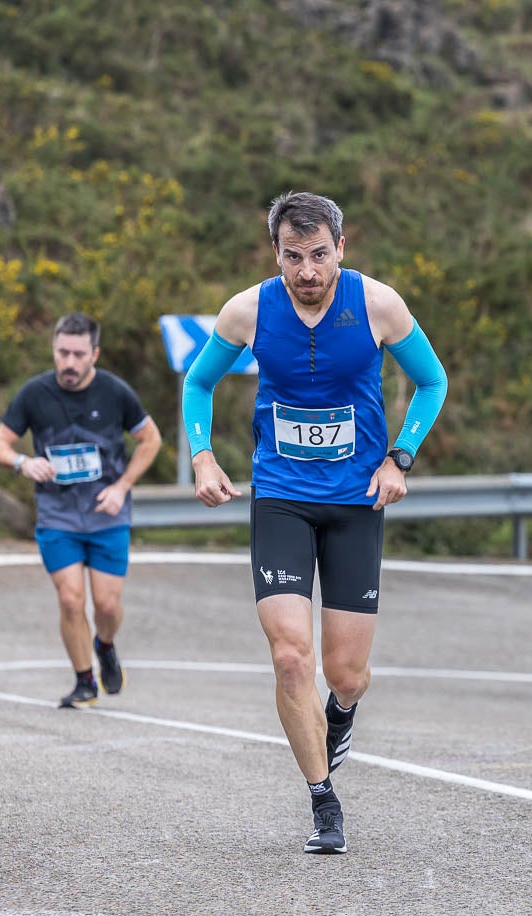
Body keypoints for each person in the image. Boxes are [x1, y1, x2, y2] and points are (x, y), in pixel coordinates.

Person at [180, 192, 448, 855]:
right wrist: (202, 453)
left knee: (346, 673)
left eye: (319, 255)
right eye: (293, 257)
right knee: (291, 656)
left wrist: (399, 457)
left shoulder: (378, 305)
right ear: (276, 253)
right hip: (281, 497)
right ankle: (323, 799)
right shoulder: (247, 311)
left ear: (341, 248)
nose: (307, 270)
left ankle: (342, 713)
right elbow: (197, 382)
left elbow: (432, 381)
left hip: (357, 499)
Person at [0, 312, 162, 709]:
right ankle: (85, 682)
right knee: (70, 600)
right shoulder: (34, 394)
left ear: (94, 354)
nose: (68, 362)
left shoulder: (115, 392)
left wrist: (122, 487)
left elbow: (150, 440)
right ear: (53, 349)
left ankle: (105, 645)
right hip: (57, 516)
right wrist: (22, 463)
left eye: (77, 354)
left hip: (108, 515)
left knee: (106, 606)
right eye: (62, 352)